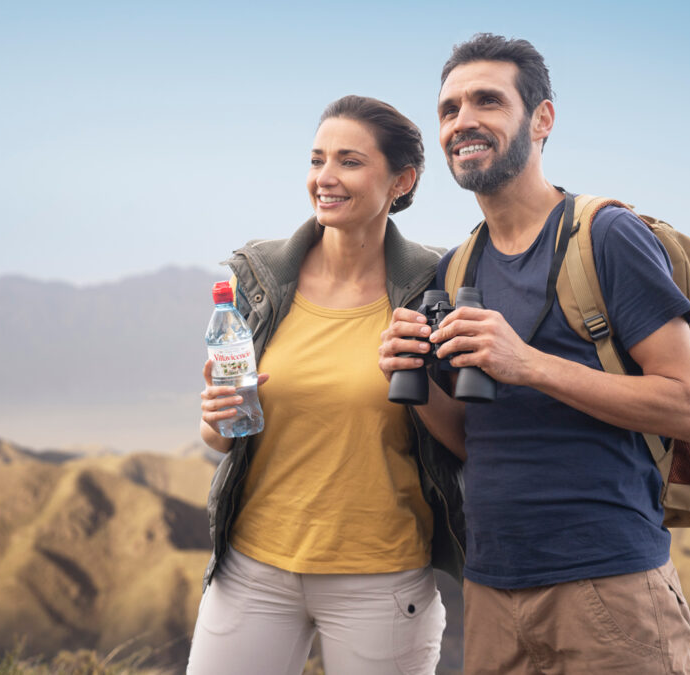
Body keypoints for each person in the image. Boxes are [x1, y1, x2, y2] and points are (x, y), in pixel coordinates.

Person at [379, 34, 690, 674]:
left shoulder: (606, 237)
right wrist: (412, 379)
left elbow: (689, 409)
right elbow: (473, 438)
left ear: (542, 119)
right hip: (492, 589)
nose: (462, 121)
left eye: (487, 101)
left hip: (609, 585)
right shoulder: (457, 269)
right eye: (448, 109)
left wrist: (528, 363)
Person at [187, 95, 465, 675]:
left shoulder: (437, 288)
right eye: (317, 160)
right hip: (252, 569)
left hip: (381, 579)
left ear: (402, 181)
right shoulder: (261, 279)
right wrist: (215, 419)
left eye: (349, 161)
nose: (325, 177)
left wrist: (414, 379)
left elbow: (467, 438)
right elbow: (224, 438)